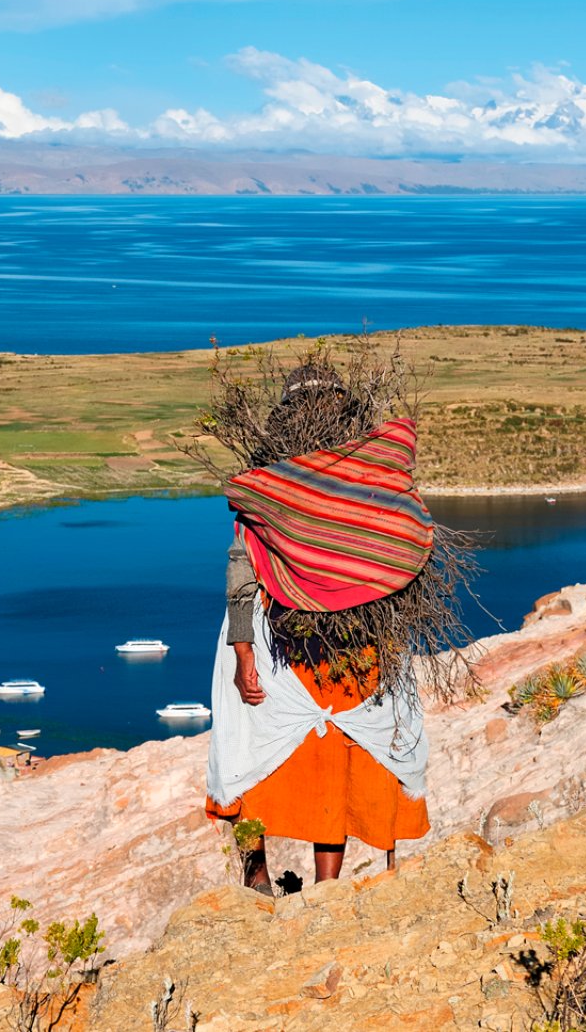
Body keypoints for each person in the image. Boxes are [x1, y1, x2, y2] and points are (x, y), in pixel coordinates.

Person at [204, 366, 431, 893]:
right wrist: (244, 655)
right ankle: (260, 874)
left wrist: (243, 656)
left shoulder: (281, 480)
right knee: (262, 753)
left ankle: (313, 887)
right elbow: (245, 570)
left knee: (314, 757)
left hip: (327, 646)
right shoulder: (356, 478)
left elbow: (243, 573)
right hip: (310, 644)